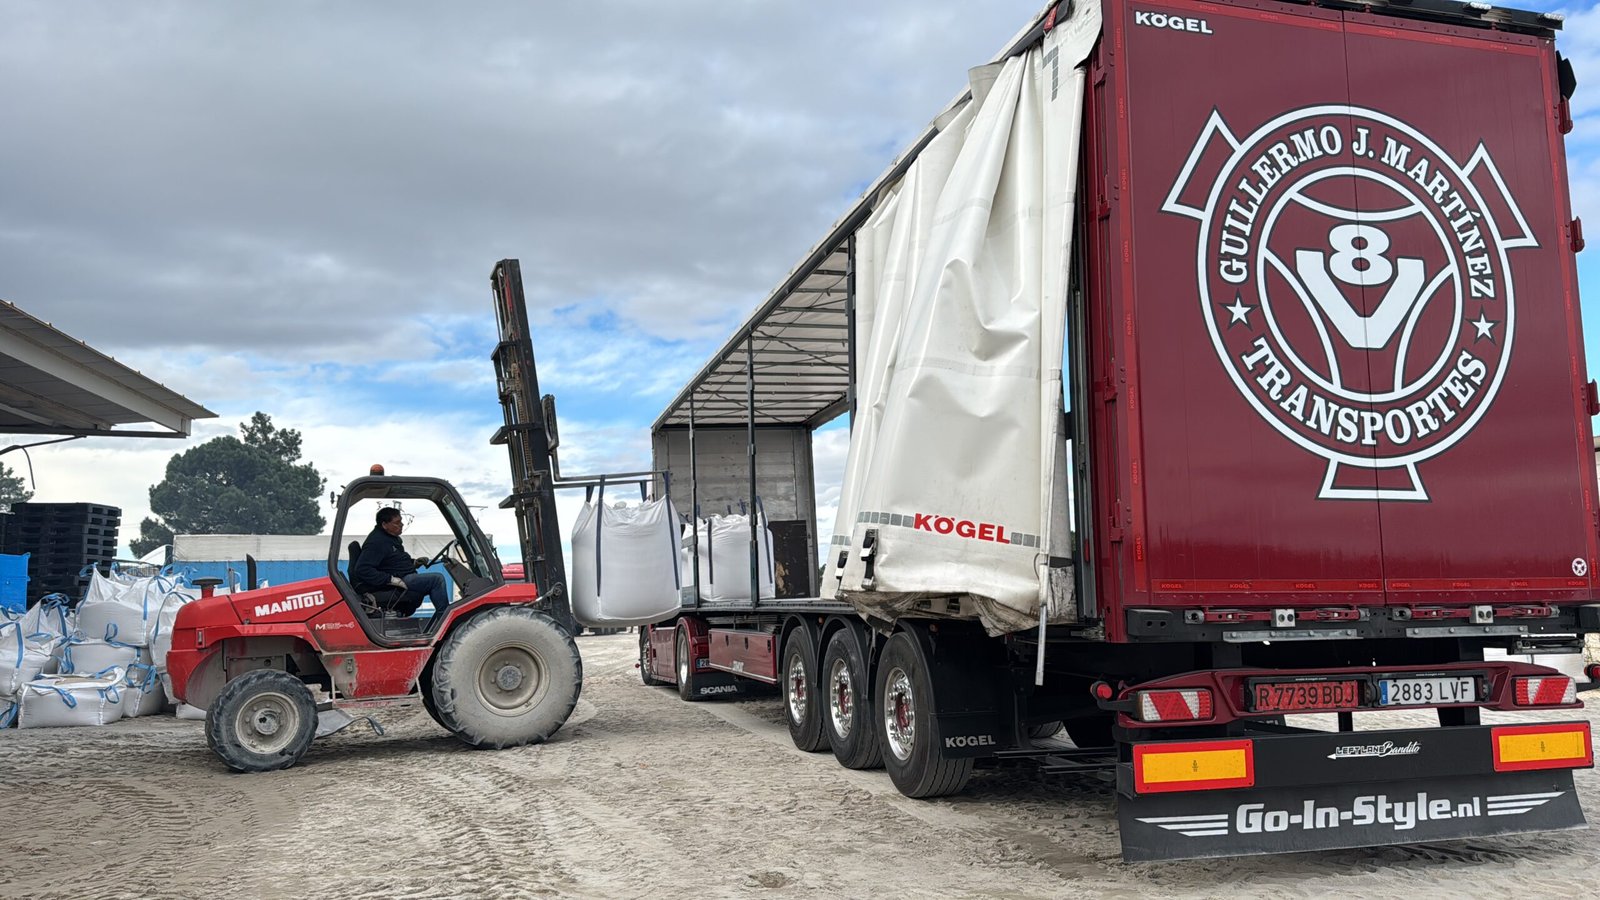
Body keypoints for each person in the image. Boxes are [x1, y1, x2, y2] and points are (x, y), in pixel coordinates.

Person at [352, 507, 448, 617]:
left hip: (403, 576)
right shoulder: (376, 542)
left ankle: (439, 619)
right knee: (436, 580)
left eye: (401, 521)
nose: (402, 525)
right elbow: (362, 569)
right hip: (398, 581)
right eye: (397, 523)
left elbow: (393, 561)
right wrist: (390, 579)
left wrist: (414, 563)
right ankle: (445, 617)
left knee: (432, 582)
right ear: (384, 525)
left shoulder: (391, 538)